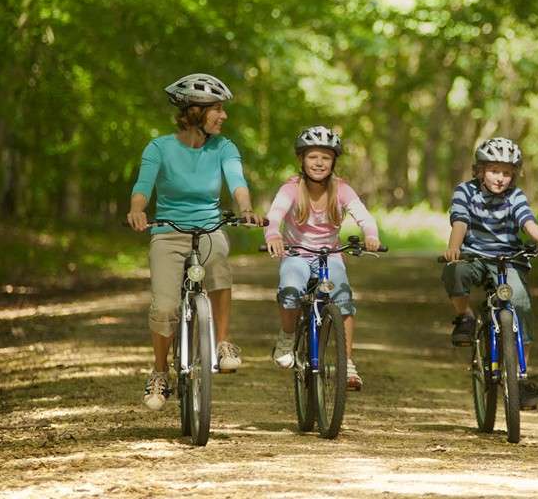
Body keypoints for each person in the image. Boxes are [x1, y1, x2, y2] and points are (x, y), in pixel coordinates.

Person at [127, 73, 264, 411]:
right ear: (193, 112)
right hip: (167, 232)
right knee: (165, 307)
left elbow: (237, 181)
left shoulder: (224, 147)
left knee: (218, 258)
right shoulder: (159, 147)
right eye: (216, 109)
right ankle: (160, 372)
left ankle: (222, 342)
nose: (224, 116)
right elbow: (143, 186)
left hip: (208, 227)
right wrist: (137, 210)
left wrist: (244, 208)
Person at [442, 137, 538, 410]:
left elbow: (527, 221)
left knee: (520, 303)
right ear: (480, 170)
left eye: (507, 173)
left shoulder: (515, 196)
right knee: (454, 271)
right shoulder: (465, 191)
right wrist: (454, 249)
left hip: (508, 258)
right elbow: (460, 221)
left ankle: (520, 374)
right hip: (472, 254)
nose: (500, 178)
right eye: (494, 171)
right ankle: (465, 317)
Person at [263, 126, 381, 391]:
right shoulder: (291, 189)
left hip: (331, 256)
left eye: (326, 157)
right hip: (295, 254)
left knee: (343, 298)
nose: (319, 163)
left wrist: (371, 234)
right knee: (290, 290)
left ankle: (347, 361)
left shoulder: (341, 189)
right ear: (302, 160)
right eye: (313, 156)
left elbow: (363, 215)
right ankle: (287, 335)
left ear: (334, 162)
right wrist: (273, 234)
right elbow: (275, 215)